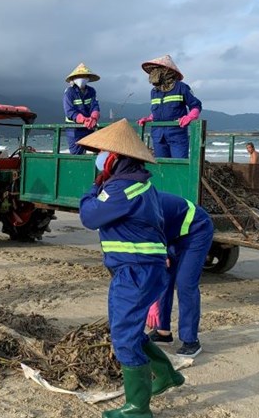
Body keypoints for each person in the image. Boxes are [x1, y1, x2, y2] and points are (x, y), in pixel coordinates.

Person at [77, 120, 184, 418]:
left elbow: (89, 216)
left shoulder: (123, 188)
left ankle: (138, 408)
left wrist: (90, 191)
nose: (98, 158)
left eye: (101, 153)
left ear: (115, 157)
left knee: (123, 337)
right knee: (130, 329)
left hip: (135, 272)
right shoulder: (140, 183)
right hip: (140, 270)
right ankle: (166, 375)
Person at [146, 192, 214, 358]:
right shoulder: (131, 209)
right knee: (163, 279)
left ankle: (190, 340)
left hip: (197, 230)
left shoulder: (145, 208)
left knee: (185, 282)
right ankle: (163, 332)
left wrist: (162, 254)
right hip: (173, 234)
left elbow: (154, 233)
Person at [137, 55, 202, 159]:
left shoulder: (181, 87)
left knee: (179, 165)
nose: (154, 73)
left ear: (167, 71)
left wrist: (189, 117)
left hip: (177, 135)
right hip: (158, 136)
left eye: (157, 70)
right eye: (153, 70)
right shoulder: (154, 92)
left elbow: (196, 105)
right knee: (162, 166)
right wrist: (149, 118)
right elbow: (159, 111)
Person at [63, 63, 101, 155]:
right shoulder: (69, 92)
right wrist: (83, 120)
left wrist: (94, 117)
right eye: (79, 76)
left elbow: (95, 105)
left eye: (84, 76)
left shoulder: (91, 91)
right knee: (77, 155)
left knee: (100, 149)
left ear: (88, 78)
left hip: (89, 127)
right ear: (74, 78)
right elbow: (69, 111)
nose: (82, 78)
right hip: (74, 129)